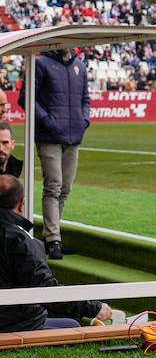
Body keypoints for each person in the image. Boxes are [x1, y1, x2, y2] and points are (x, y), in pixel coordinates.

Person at [0, 175, 111, 331]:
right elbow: (44, 289)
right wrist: (93, 308)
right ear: (21, 205)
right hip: (11, 322)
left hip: (10, 316)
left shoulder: (17, 237)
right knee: (72, 326)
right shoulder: (18, 239)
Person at [27, 49, 90, 260]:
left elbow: (85, 98)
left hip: (73, 136)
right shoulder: (42, 63)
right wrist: (47, 121)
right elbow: (27, 97)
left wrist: (84, 120)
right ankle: (53, 239)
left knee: (65, 188)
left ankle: (52, 236)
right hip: (49, 137)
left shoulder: (79, 66)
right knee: (53, 186)